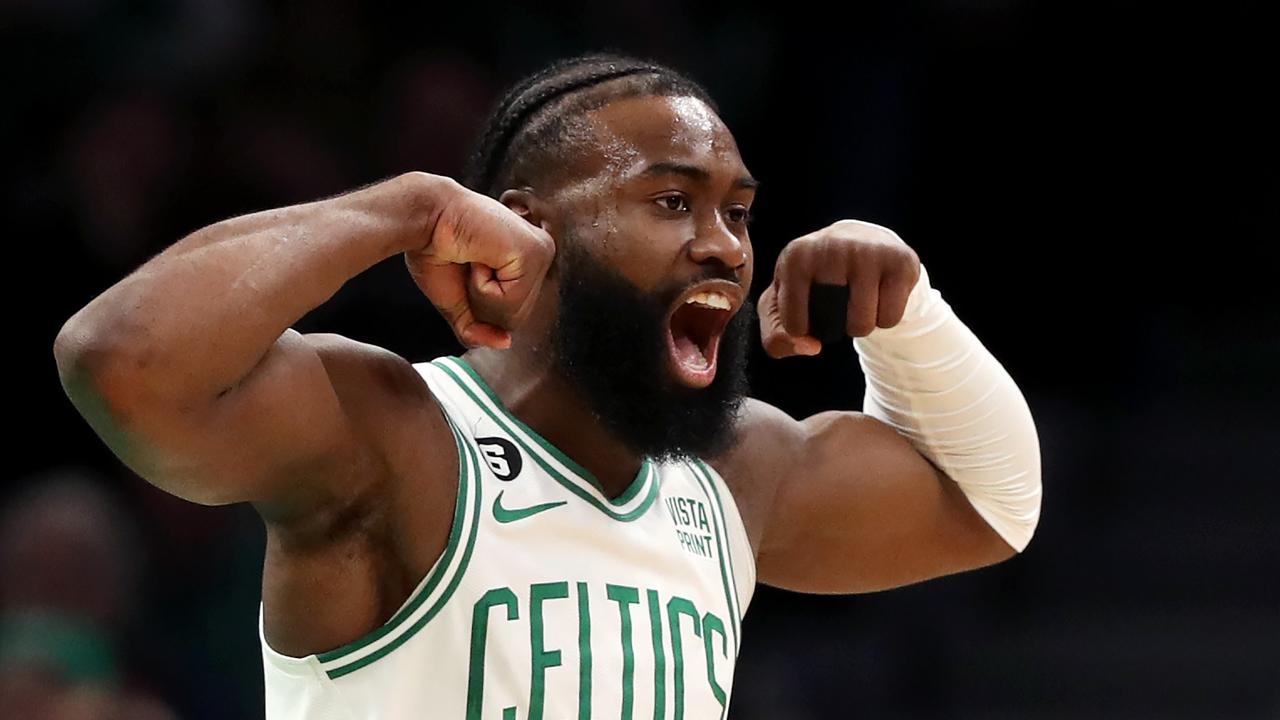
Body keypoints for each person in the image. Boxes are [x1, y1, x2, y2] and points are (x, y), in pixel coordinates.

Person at [53, 51, 1041, 720]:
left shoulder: (731, 474)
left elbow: (989, 503)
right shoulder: (394, 435)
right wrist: (407, 209)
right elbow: (122, 359)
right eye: (668, 200)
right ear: (527, 223)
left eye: (737, 213)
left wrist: (909, 316)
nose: (721, 246)